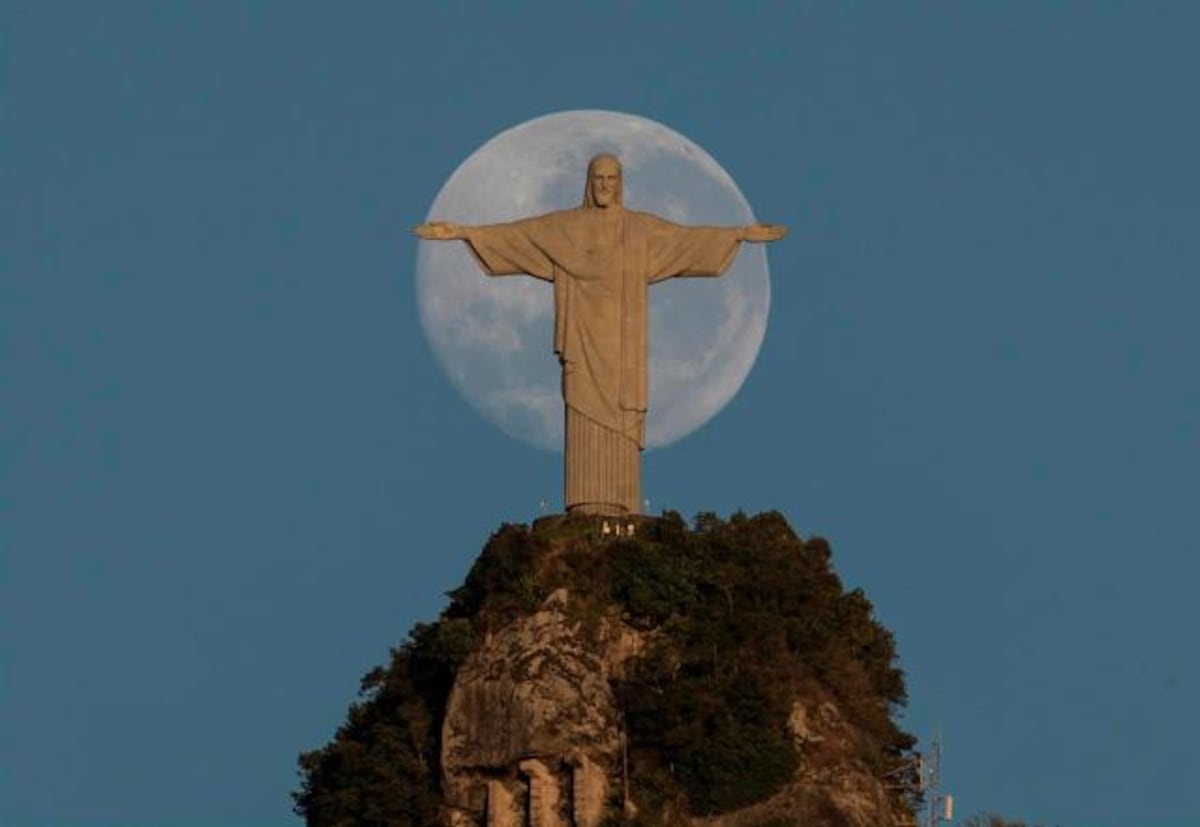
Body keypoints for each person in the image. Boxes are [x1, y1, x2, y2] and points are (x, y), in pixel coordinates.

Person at [415, 154, 785, 516]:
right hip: (582, 341)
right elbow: (520, 235)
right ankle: (585, 504)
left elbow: (685, 241)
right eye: (598, 179)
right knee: (582, 410)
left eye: (611, 179)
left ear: (620, 185)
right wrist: (464, 232)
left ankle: (624, 506)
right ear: (588, 184)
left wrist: (740, 235)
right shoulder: (565, 229)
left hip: (624, 350)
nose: (605, 186)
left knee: (621, 419)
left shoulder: (640, 230)